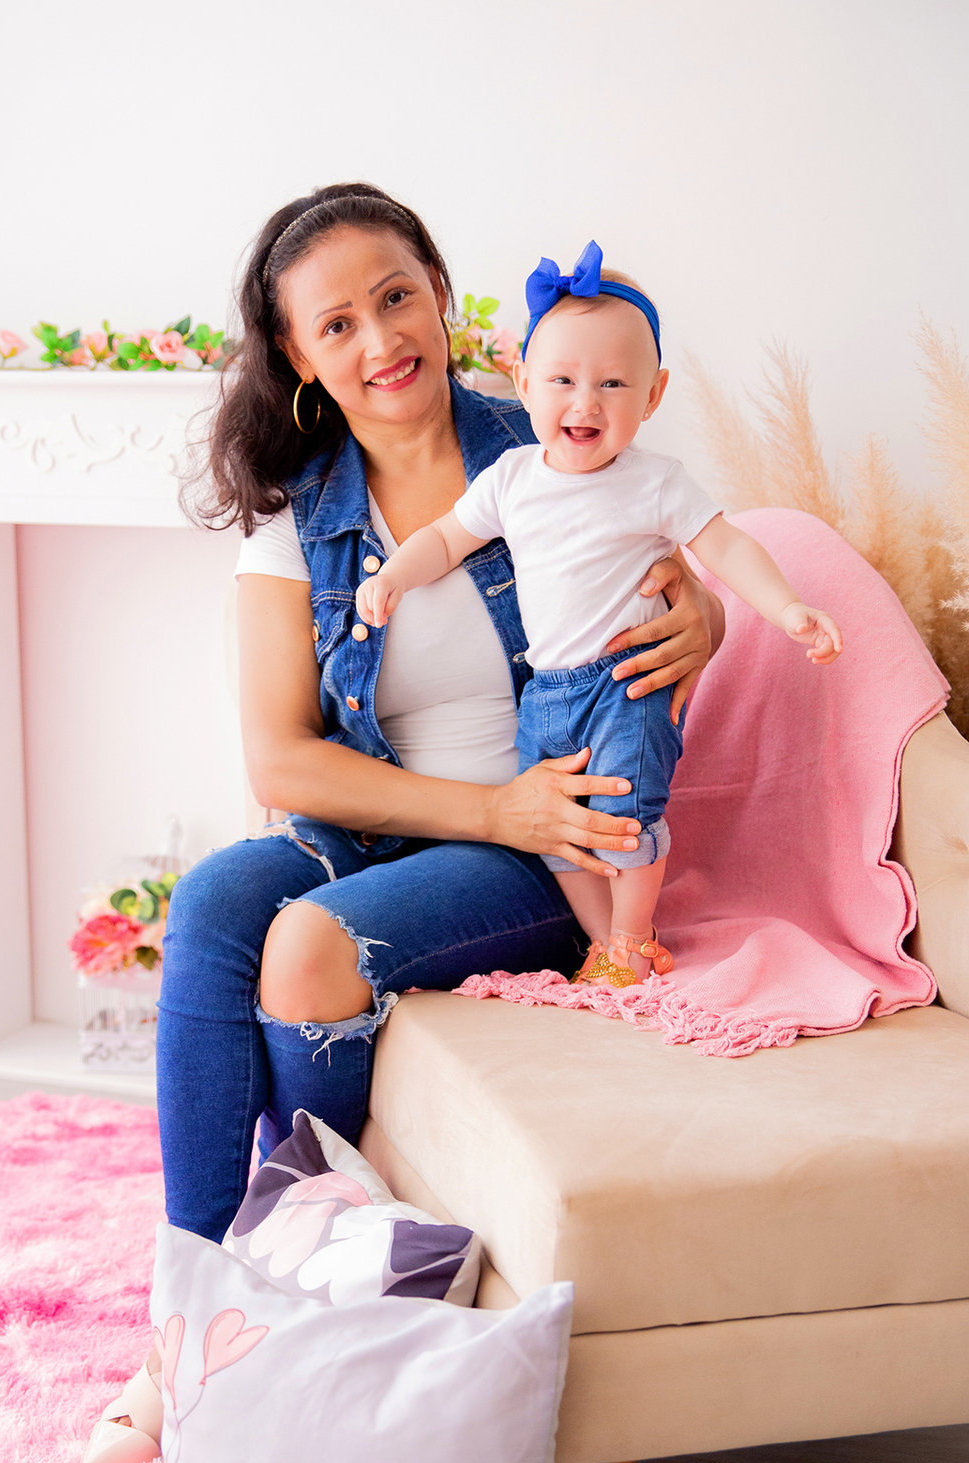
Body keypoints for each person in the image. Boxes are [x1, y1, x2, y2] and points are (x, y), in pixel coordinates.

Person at [83, 184, 725, 1463]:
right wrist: (484, 802)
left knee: (308, 950)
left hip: (546, 848)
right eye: (337, 325)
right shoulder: (300, 508)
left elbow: (683, 564)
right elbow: (280, 757)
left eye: (395, 295)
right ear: (304, 364)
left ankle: (298, 1301)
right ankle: (189, 1326)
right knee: (215, 903)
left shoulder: (557, 436)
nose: (381, 338)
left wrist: (703, 619)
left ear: (440, 291)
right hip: (412, 817)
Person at [356, 241, 843, 989]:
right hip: (544, 693)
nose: (585, 402)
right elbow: (449, 538)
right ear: (522, 379)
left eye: (613, 383)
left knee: (625, 820)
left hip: (625, 684)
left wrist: (788, 608)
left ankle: (631, 935)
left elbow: (729, 546)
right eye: (562, 380)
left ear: (653, 395)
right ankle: (602, 947)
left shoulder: (654, 483)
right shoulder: (512, 477)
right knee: (559, 839)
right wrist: (394, 576)